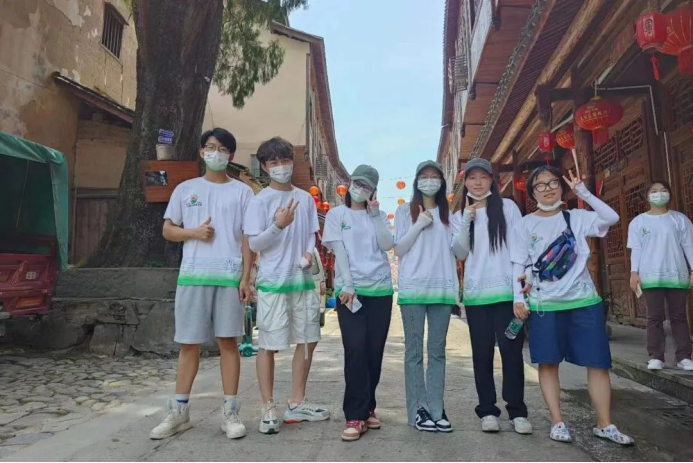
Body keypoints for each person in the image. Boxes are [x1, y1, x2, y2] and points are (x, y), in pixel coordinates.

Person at [510, 165, 634, 446]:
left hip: (583, 301)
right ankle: (557, 422)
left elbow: (612, 217)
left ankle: (605, 424)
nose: (548, 189)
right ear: (532, 192)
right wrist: (518, 298)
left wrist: (584, 193)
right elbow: (518, 262)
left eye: (553, 183)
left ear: (561, 187)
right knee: (548, 363)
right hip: (545, 304)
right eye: (540, 185)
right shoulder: (524, 225)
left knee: (597, 363)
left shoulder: (577, 217)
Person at [151, 128, 254, 440]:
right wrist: (194, 233)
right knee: (189, 344)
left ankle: (230, 413)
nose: (216, 153)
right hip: (193, 275)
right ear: (201, 152)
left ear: (230, 156)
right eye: (210, 147)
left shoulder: (243, 192)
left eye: (222, 149)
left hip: (229, 277)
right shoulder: (186, 189)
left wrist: (246, 277)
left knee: (228, 343)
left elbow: (248, 238)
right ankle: (179, 412)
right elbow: (168, 229)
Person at [244, 137, 330, 435]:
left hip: (302, 281)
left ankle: (296, 402)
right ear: (265, 167)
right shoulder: (260, 201)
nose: (281, 167)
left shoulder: (305, 198)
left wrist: (308, 253)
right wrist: (278, 225)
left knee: (308, 340)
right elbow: (254, 243)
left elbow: (310, 234)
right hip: (273, 282)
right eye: (274, 162)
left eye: (285, 160)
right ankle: (268, 406)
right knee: (269, 345)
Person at [454, 158, 531, 435]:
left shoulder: (507, 207)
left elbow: (520, 251)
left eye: (483, 177)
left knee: (512, 353)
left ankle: (517, 411)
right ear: (465, 182)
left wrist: (518, 296)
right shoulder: (459, 216)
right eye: (472, 178)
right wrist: (467, 219)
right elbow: (460, 252)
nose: (477, 182)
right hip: (477, 298)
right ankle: (487, 410)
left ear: (491, 180)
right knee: (482, 354)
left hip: (506, 297)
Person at [322, 165, 395, 442]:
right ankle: (354, 414)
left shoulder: (378, 216)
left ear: (373, 191)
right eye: (358, 183)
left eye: (367, 186)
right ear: (350, 182)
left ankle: (369, 407)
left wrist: (375, 215)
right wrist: (348, 284)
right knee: (355, 349)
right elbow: (339, 251)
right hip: (350, 293)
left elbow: (387, 245)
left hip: (380, 291)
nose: (360, 189)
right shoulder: (336, 215)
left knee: (374, 352)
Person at [395, 160, 458, 434]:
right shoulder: (403, 211)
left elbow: (459, 251)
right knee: (414, 353)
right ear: (416, 181)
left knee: (437, 352)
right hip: (413, 290)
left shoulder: (450, 214)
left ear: (442, 182)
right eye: (424, 176)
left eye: (434, 176)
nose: (429, 180)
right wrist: (419, 224)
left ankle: (436, 408)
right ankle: (417, 410)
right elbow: (399, 249)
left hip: (442, 290)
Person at [628, 181, 693, 372]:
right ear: (647, 196)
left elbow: (689, 246)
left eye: (663, 190)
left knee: (679, 316)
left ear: (669, 194)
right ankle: (656, 356)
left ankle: (684, 357)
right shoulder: (638, 222)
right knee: (654, 317)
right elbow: (636, 249)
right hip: (649, 275)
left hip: (676, 273)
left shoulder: (679, 219)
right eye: (654, 191)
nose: (659, 194)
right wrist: (634, 272)